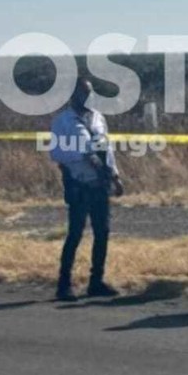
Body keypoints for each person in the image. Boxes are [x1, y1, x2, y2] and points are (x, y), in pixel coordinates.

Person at [49, 78, 123, 302]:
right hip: (78, 183)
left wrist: (116, 176)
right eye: (83, 92)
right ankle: (64, 284)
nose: (87, 96)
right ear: (73, 95)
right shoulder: (62, 121)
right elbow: (56, 154)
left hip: (100, 183)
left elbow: (107, 149)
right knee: (75, 233)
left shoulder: (98, 118)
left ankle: (96, 282)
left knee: (102, 233)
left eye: (89, 92)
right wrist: (82, 156)